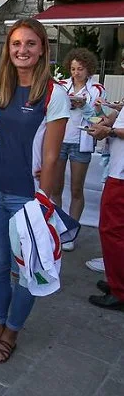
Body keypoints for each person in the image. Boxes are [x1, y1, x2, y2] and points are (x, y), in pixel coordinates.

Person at [0, 18, 69, 363]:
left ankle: (12, 331)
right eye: (16, 44)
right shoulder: (3, 87)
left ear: (43, 48)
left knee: (27, 269)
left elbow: (52, 154)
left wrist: (45, 199)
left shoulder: (55, 94)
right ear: (8, 50)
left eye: (30, 43)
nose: (22, 50)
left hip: (27, 198)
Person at [53, 48, 106, 251]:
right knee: (56, 188)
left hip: (81, 143)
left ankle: (70, 232)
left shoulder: (96, 90)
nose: (76, 73)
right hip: (60, 140)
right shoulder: (62, 86)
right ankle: (57, 228)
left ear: (88, 69)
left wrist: (83, 107)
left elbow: (98, 120)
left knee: (76, 189)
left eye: (80, 69)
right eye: (73, 69)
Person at [87, 109, 124, 310]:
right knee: (114, 231)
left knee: (112, 231)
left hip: (121, 176)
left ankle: (120, 292)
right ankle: (116, 281)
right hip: (118, 171)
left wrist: (109, 131)